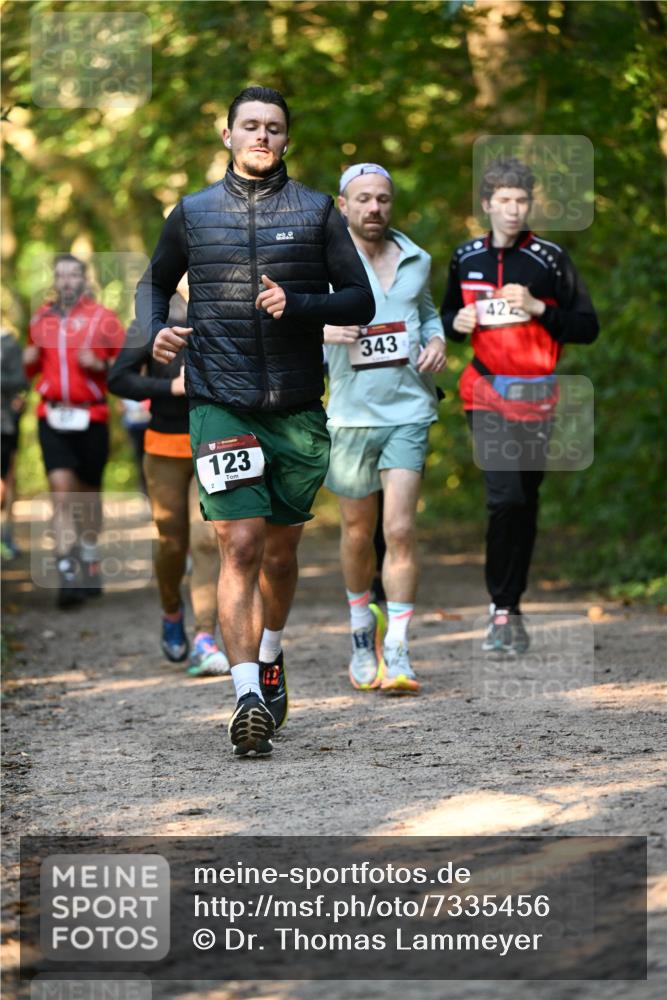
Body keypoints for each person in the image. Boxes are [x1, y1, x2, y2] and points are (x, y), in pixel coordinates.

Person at [136, 86, 374, 756]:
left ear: (286, 139)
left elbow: (358, 297)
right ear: (228, 136)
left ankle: (270, 653)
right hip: (219, 401)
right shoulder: (193, 213)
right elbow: (154, 281)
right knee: (238, 545)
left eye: (273, 128)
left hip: (297, 409)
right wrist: (155, 332)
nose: (261, 137)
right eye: (250, 126)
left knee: (279, 552)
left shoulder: (318, 211)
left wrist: (296, 305)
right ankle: (246, 696)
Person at [440, 157, 598, 654]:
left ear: (530, 205)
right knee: (504, 497)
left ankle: (512, 604)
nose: (512, 209)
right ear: (486, 204)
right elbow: (446, 314)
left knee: (525, 504)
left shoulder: (550, 259)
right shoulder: (465, 258)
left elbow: (587, 327)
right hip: (484, 391)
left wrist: (537, 308)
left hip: (538, 395)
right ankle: (500, 610)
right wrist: (455, 323)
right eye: (503, 200)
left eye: (521, 201)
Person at [323, 163, 446, 694]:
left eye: (383, 200)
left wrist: (437, 340)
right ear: (343, 204)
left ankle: (396, 646)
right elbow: (292, 321)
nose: (375, 208)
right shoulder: (325, 262)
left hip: (408, 413)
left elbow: (427, 311)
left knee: (398, 530)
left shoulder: (416, 258)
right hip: (350, 417)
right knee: (356, 533)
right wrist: (326, 329)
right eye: (364, 199)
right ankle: (359, 630)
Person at [108, 292, 230, 676]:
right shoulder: (153, 314)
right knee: (172, 543)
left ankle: (204, 638)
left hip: (217, 441)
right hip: (164, 446)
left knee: (207, 539)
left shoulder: (228, 299)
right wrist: (169, 389)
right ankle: (171, 608)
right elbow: (119, 378)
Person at [24, 254, 125, 608]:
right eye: (60, 275)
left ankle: (89, 555)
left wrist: (100, 364)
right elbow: (31, 366)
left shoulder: (104, 319)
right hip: (52, 417)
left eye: (72, 275)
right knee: (62, 492)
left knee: (89, 497)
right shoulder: (41, 320)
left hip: (92, 417)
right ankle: (67, 570)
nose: (66, 281)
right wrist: (27, 358)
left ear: (84, 280)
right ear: (54, 280)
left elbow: (128, 364)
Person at [1, 328, 28, 560]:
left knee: (5, 481)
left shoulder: (8, 342)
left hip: (4, 425)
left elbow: (22, 380)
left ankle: (6, 535)